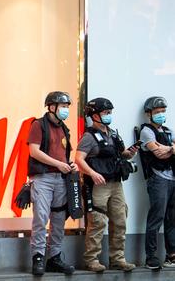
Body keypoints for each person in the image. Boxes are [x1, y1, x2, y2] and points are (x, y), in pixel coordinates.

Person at [74, 98, 137, 273]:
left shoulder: (113, 134)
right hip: (98, 185)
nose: (109, 116)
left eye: (110, 113)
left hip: (116, 183)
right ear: (94, 115)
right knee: (98, 222)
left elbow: (121, 155)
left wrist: (129, 153)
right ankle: (92, 260)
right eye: (105, 113)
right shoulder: (89, 136)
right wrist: (93, 174)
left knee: (120, 220)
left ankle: (118, 259)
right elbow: (78, 159)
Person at [27, 91, 76, 276]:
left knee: (58, 219)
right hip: (43, 177)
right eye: (63, 107)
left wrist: (68, 164)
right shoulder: (38, 125)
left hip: (61, 179)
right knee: (41, 217)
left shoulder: (64, 128)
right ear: (52, 107)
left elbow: (63, 153)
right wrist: (58, 164)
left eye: (66, 107)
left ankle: (55, 257)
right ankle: (38, 256)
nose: (65, 110)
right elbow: (34, 151)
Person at [139, 96, 175, 270]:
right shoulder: (146, 131)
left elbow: (164, 151)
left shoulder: (168, 131)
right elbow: (158, 154)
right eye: (157, 112)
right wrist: (172, 149)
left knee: (172, 218)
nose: (161, 114)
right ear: (149, 114)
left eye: (163, 111)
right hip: (157, 178)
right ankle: (151, 257)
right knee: (157, 217)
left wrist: (168, 149)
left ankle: (171, 255)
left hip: (172, 178)